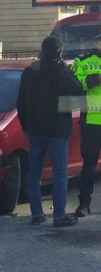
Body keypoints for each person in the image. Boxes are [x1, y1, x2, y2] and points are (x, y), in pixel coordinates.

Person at [17, 36, 82, 227]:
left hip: (35, 130)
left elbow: (20, 102)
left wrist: (25, 126)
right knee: (60, 174)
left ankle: (36, 214)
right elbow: (79, 93)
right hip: (57, 130)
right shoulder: (61, 71)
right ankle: (59, 216)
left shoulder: (29, 72)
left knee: (33, 172)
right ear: (59, 52)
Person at [71, 31, 101, 217]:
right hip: (91, 120)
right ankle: (84, 204)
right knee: (89, 165)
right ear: (96, 42)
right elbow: (73, 84)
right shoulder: (82, 61)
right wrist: (94, 80)